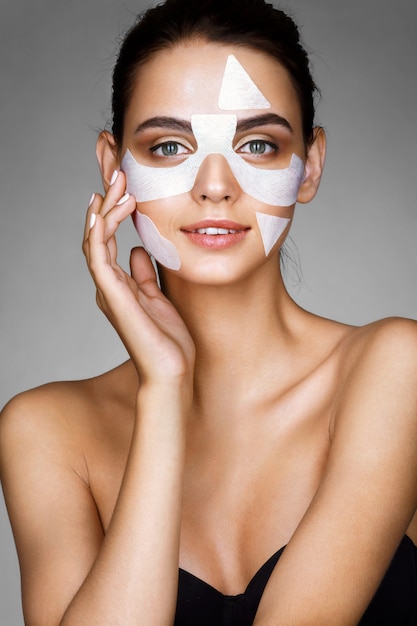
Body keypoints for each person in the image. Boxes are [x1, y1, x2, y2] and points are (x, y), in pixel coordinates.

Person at [1, 0, 416, 624]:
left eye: (257, 144)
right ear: (115, 168)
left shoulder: (396, 371)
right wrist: (164, 392)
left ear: (311, 164)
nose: (215, 184)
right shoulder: (48, 432)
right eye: (169, 146)